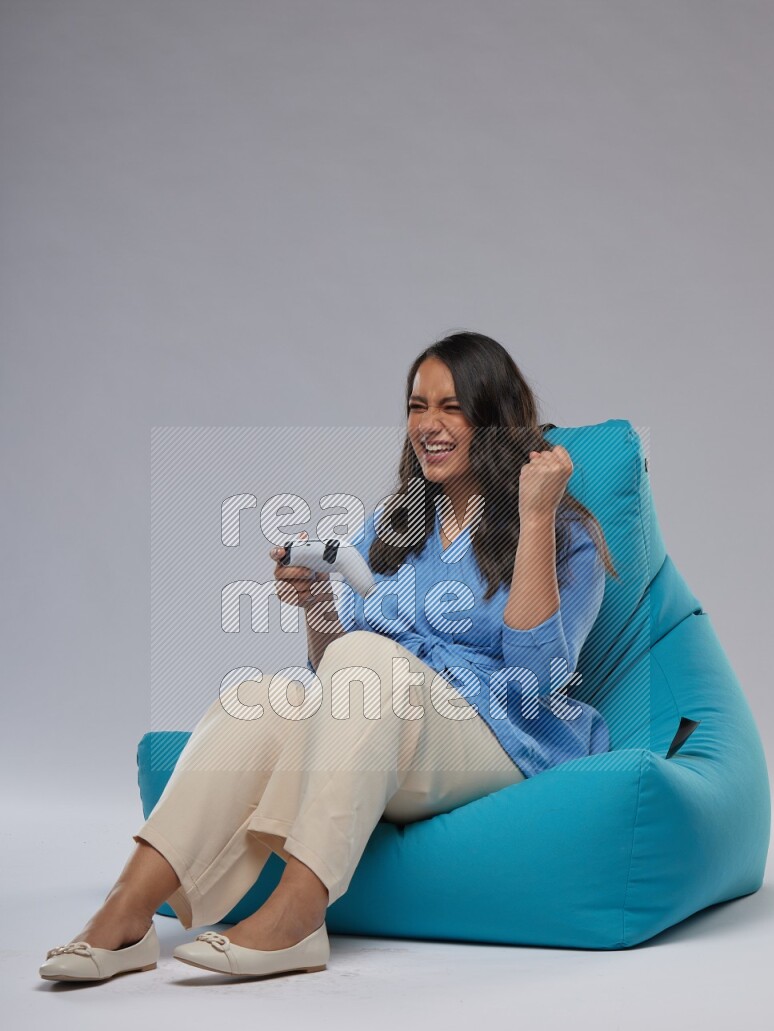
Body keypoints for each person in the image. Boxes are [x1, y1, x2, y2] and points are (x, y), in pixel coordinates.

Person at [39, 331, 618, 984]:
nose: (428, 424)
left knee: (369, 665)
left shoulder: (565, 533)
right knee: (257, 699)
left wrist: (534, 515)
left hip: (502, 737)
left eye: (451, 407)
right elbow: (341, 674)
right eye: (416, 405)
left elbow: (534, 680)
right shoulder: (395, 525)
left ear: (492, 418)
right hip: (391, 724)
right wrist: (318, 604)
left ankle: (298, 915)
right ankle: (127, 915)